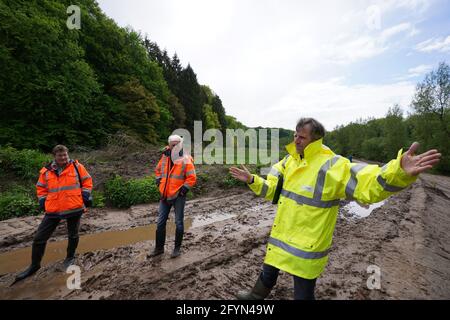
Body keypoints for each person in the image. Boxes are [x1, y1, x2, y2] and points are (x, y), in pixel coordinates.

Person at [230, 117, 440, 300]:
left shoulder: (331, 166)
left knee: (303, 294)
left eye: (301, 137)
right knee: (268, 272)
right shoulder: (289, 162)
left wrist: (398, 171)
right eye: (295, 135)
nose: (296, 140)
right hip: (281, 237)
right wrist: (252, 180)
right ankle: (255, 296)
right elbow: (272, 190)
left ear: (315, 139)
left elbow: (367, 183)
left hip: (306, 247)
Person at [14, 145, 93, 283]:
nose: (63, 158)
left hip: (74, 206)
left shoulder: (77, 167)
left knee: (73, 234)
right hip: (53, 209)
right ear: (54, 156)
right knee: (39, 238)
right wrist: (43, 202)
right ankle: (34, 265)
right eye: (60, 156)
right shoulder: (46, 171)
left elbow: (87, 181)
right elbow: (41, 188)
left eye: (65, 155)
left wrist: (85, 195)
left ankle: (70, 257)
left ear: (68, 155)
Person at [148, 135, 197, 259]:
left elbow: (192, 177)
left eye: (177, 144)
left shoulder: (185, 158)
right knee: (160, 223)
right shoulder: (165, 156)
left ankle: (176, 249)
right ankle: (159, 249)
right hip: (164, 195)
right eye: (172, 144)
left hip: (178, 196)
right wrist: (158, 180)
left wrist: (184, 189)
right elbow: (158, 170)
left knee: (179, 223)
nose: (174, 146)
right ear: (169, 144)